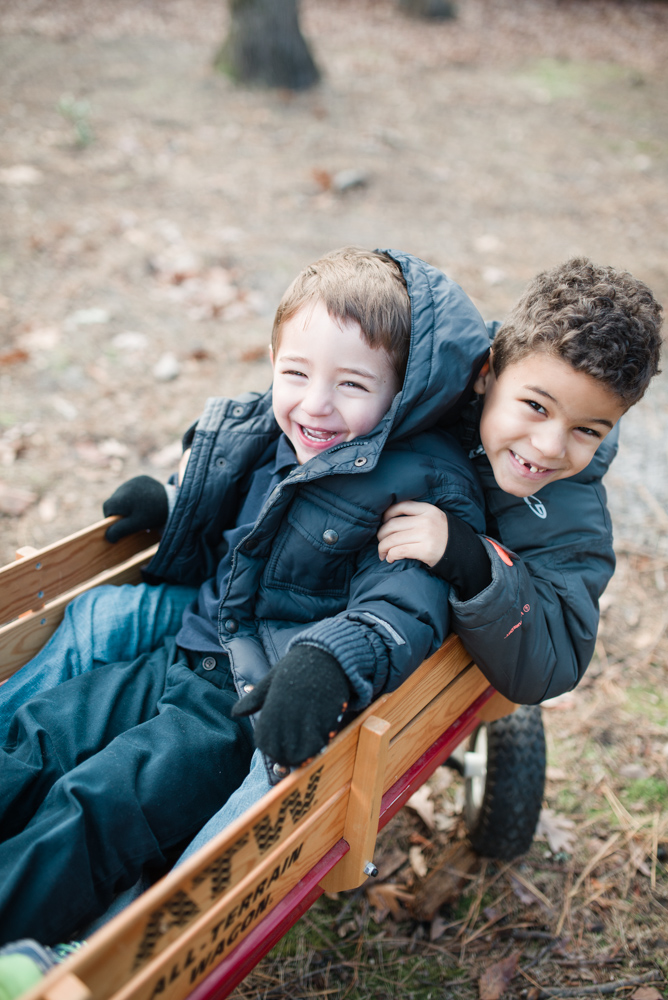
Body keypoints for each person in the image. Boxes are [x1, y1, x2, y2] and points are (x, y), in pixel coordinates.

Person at [0, 247, 489, 948]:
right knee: (42, 735)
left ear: (403, 393)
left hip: (251, 710)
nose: (315, 404)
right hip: (185, 655)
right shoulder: (273, 433)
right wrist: (169, 507)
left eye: (352, 384)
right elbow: (224, 513)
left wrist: (328, 661)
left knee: (102, 803)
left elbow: (401, 608)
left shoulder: (420, 486)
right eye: (295, 373)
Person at [377, 257, 663, 702]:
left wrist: (468, 558)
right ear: (487, 374)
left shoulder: (573, 514)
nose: (550, 446)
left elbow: (556, 658)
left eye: (587, 430)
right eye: (536, 406)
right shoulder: (424, 391)